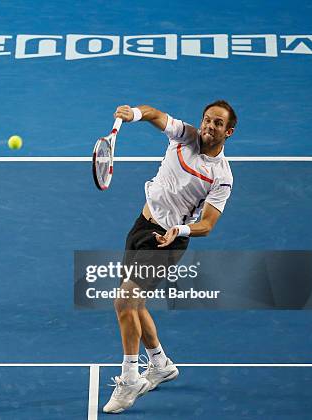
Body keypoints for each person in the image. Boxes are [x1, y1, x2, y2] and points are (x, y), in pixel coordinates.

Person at [103, 100, 236, 413]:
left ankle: (130, 377)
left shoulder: (221, 176)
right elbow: (154, 114)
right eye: (207, 120)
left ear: (228, 132)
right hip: (141, 226)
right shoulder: (184, 135)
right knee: (135, 303)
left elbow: (207, 224)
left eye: (217, 123)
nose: (209, 127)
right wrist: (134, 114)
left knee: (124, 301)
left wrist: (182, 230)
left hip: (167, 241)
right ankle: (160, 364)